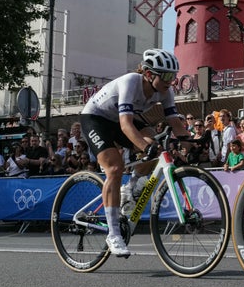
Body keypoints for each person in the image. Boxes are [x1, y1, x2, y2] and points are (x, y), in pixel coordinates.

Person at [80, 48, 192, 257]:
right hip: (96, 118)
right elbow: (125, 125)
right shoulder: (131, 82)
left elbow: (175, 123)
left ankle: (131, 186)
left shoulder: (166, 91)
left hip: (122, 119)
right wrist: (145, 147)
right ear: (149, 74)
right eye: (166, 76)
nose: (171, 80)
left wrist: (190, 141)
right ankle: (113, 235)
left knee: (155, 144)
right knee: (114, 167)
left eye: (174, 76)